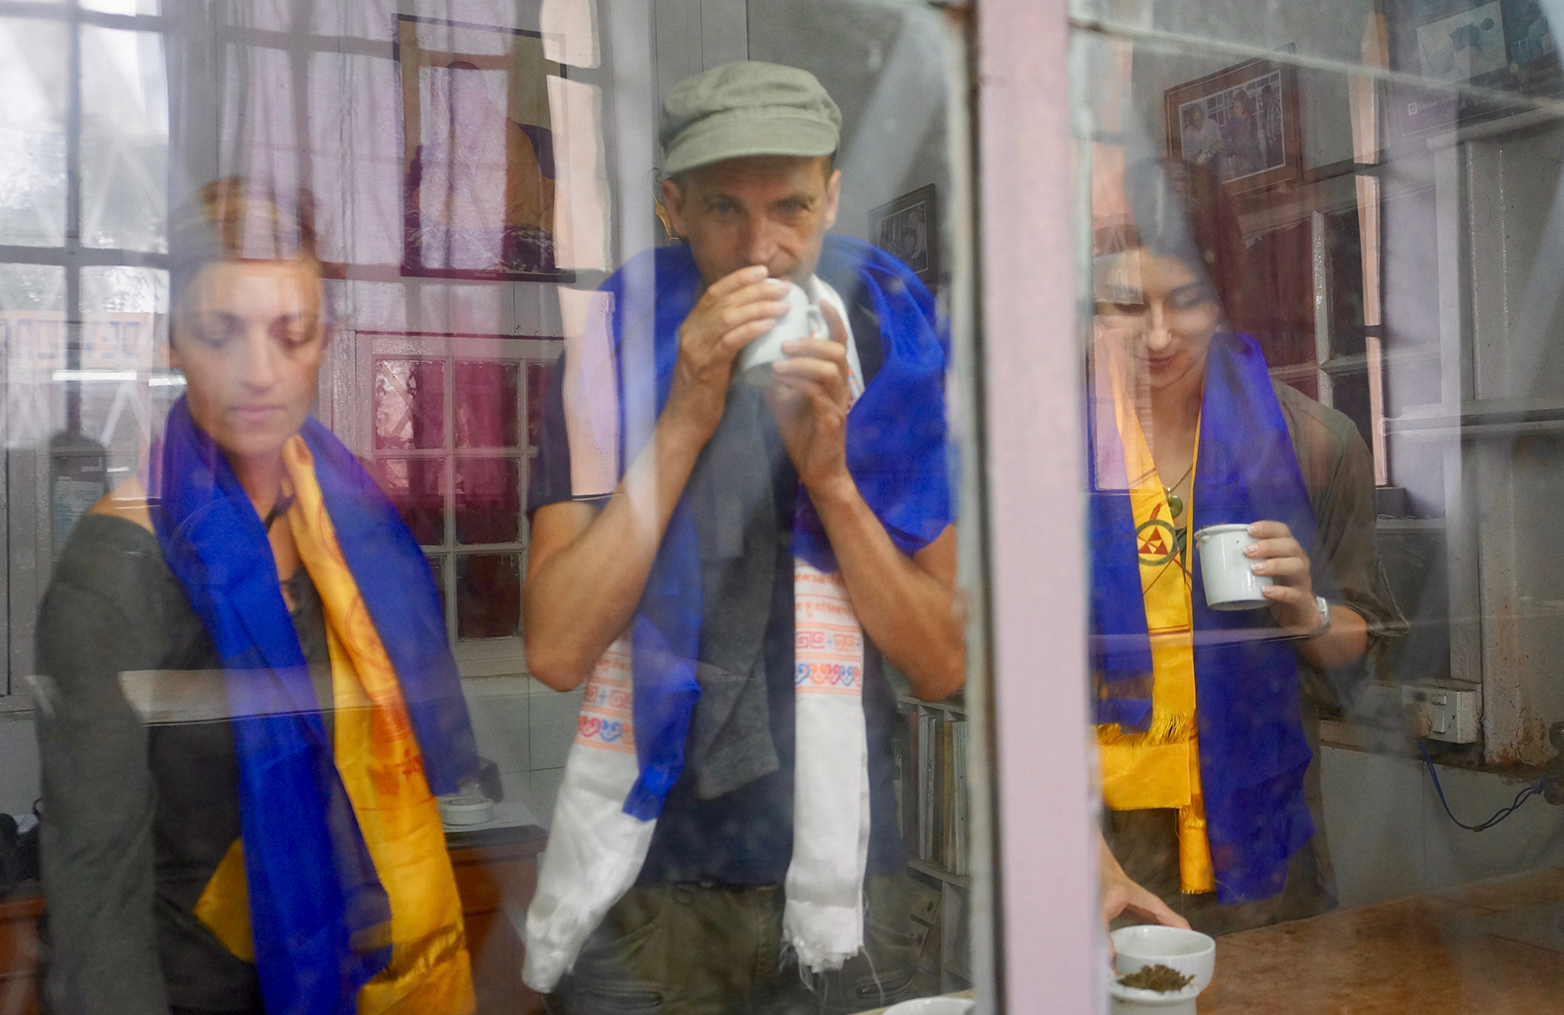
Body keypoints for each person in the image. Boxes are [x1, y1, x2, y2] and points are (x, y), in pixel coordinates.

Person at [519, 61, 962, 1014]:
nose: (763, 250)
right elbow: (556, 647)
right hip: (653, 873)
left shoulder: (894, 344)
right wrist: (683, 419)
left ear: (834, 195)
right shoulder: (613, 343)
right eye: (725, 208)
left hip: (847, 868)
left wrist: (832, 479)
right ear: (671, 206)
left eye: (793, 206)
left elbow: (941, 660)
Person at [35, 180, 482, 1015]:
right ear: (172, 342)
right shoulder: (117, 571)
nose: (260, 373)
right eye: (219, 332)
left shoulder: (347, 523)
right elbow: (96, 899)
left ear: (327, 341)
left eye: (292, 333)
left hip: (364, 975)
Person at [1089, 158, 1405, 935]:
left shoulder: (1311, 444)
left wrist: (1309, 611)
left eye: (1187, 300)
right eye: (1129, 303)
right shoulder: (1046, 447)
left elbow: (1373, 655)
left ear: (1223, 297)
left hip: (1265, 860)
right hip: (1096, 851)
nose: (1158, 335)